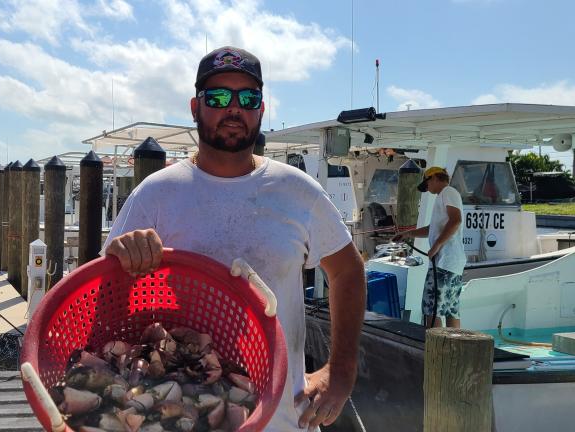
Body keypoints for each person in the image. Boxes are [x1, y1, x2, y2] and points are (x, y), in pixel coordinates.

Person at [102, 46, 366, 431]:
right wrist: (120, 254)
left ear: (261, 108)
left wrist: (340, 371)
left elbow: (347, 271)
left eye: (248, 97)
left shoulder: (299, 191)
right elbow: (104, 295)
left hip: (282, 416)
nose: (234, 108)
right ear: (196, 107)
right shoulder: (154, 195)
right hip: (180, 412)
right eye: (219, 97)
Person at [392, 166, 465, 328]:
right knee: (450, 309)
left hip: (443, 262)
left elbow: (456, 220)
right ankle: (453, 345)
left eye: (427, 184)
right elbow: (432, 229)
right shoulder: (445, 195)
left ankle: (434, 347)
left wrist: (437, 245)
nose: (428, 188)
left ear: (434, 178)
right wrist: (408, 234)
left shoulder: (448, 192)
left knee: (432, 308)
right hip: (451, 263)